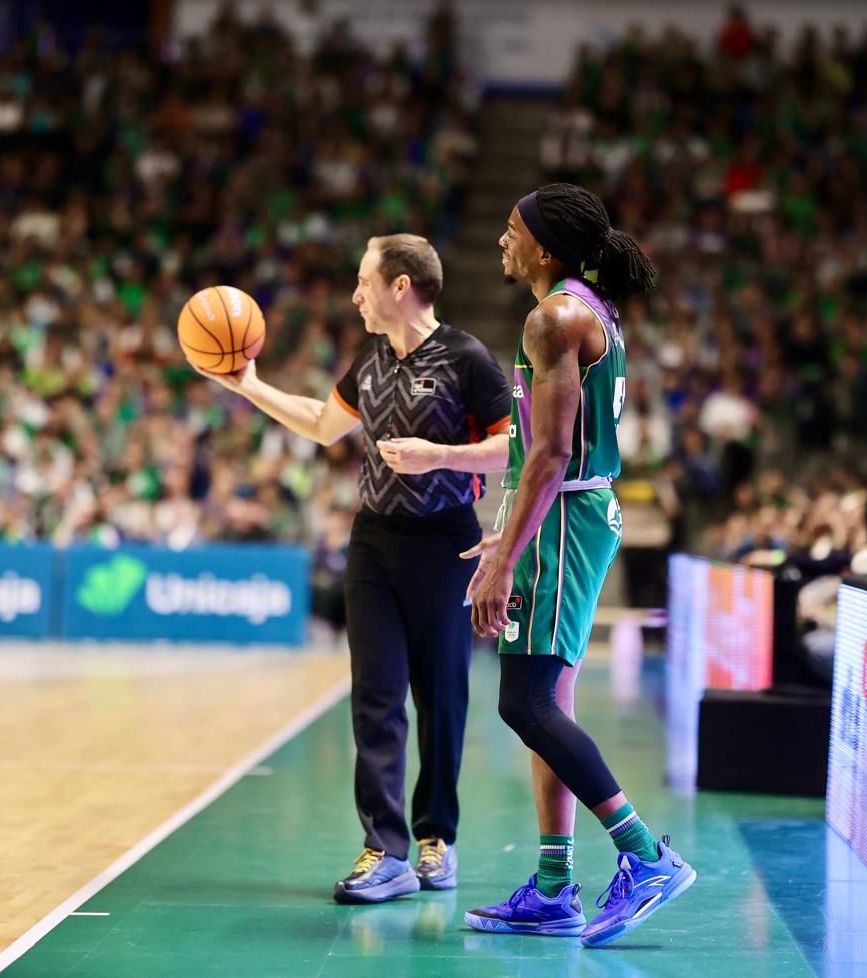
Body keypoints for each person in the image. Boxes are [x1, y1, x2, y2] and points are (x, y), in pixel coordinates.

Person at [198, 234, 510, 903]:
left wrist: (440, 456)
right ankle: (385, 849)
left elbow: (514, 446)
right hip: (373, 543)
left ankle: (437, 838)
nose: (355, 294)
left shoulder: (466, 358)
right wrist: (248, 385)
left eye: (364, 281)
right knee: (375, 696)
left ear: (400, 287)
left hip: (446, 545)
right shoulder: (368, 359)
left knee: (442, 699)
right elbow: (321, 423)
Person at [462, 183, 694, 949]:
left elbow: (554, 454)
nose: (503, 240)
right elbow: (540, 449)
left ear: (548, 247)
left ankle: (646, 855)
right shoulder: (580, 311)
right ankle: (556, 885)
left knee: (523, 702)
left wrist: (506, 560)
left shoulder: (555, 316)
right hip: (568, 514)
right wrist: (503, 536)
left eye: (512, 229)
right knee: (546, 703)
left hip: (566, 517)